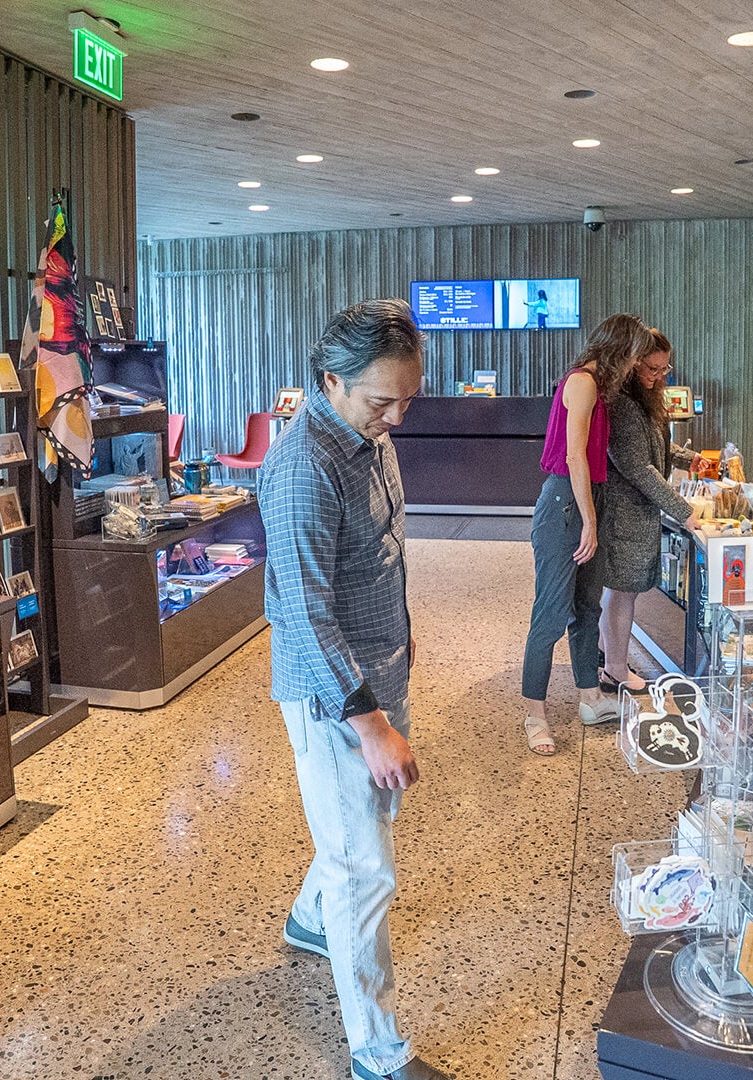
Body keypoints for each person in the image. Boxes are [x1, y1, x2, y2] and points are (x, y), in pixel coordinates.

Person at [260, 298, 449, 1080]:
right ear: (331, 380)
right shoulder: (303, 467)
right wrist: (372, 724)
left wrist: (401, 633)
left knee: (362, 820)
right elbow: (305, 615)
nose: (397, 417)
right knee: (364, 868)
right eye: (382, 401)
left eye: (408, 398)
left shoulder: (368, 434)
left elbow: (381, 550)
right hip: (334, 694)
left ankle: (311, 920)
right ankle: (378, 1052)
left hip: (378, 667)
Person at [518, 312, 654, 755]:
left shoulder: (600, 388)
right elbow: (575, 456)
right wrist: (590, 523)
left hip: (588, 497)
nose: (634, 366)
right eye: (633, 356)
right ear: (620, 350)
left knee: (586, 607)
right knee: (551, 613)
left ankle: (591, 698)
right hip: (565, 504)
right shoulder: (582, 382)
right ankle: (534, 714)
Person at [598, 329, 702, 692]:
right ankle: (615, 670)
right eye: (651, 368)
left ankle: (606, 654)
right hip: (623, 512)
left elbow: (655, 447)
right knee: (622, 591)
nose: (658, 376)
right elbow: (638, 466)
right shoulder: (624, 405)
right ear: (632, 364)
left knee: (619, 591)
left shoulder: (644, 400)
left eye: (664, 369)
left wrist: (689, 459)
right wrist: (683, 510)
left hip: (635, 512)